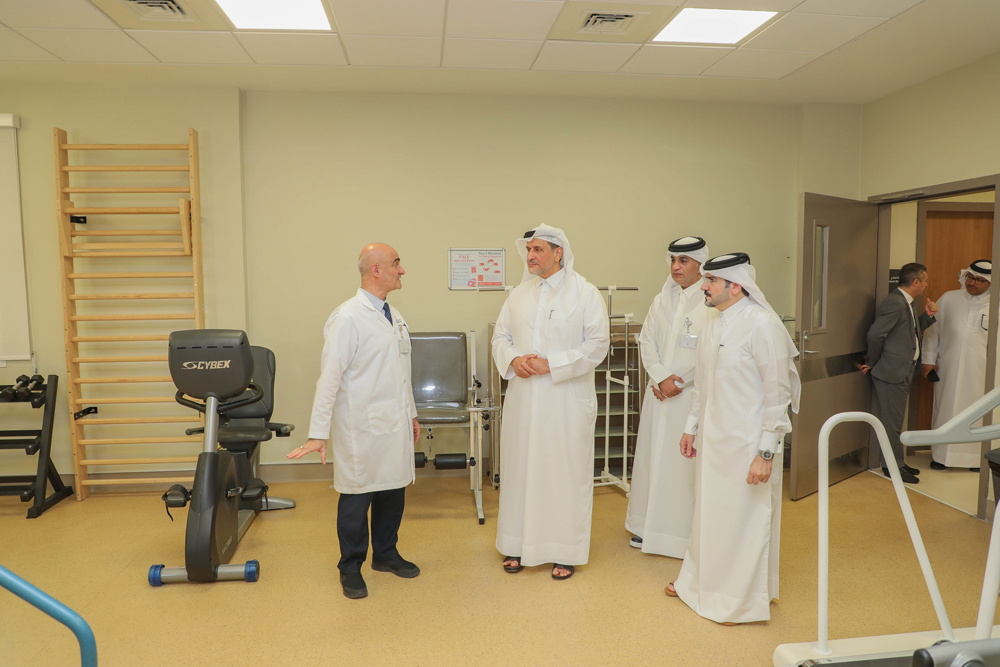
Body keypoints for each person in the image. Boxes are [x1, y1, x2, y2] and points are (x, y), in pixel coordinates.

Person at [664, 252, 800, 626]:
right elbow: (702, 385)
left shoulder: (763, 325)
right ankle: (699, 583)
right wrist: (691, 427)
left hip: (747, 445)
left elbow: (778, 396)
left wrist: (766, 453)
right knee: (708, 513)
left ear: (735, 286)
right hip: (713, 440)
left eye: (710, 281)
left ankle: (736, 600)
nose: (703, 287)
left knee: (745, 518)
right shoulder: (712, 320)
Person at [288, 243, 421, 600]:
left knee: (393, 492)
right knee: (357, 498)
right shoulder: (348, 318)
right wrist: (318, 434)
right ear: (376, 269)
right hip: (361, 428)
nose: (402, 270)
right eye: (396, 263)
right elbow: (329, 379)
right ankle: (350, 567)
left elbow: (402, 373)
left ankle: (386, 554)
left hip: (394, 423)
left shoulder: (395, 316)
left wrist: (411, 413)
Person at [491, 224, 610, 581]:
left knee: (563, 472)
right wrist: (513, 359)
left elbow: (597, 345)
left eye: (538, 250)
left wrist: (551, 364)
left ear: (558, 253)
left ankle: (564, 550)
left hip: (565, 402)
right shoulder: (519, 294)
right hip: (525, 399)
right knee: (521, 468)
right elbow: (501, 336)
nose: (530, 256)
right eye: (528, 250)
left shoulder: (585, 293)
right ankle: (516, 544)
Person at [625, 236, 710, 557]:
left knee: (681, 465)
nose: (676, 267)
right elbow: (646, 341)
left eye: (684, 261)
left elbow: (709, 350)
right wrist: (660, 377)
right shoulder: (662, 299)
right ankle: (647, 527)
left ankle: (681, 533)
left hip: (690, 397)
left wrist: (680, 381)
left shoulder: (710, 300)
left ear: (701, 264)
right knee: (652, 459)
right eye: (673, 260)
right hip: (658, 394)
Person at [861, 262, 938, 484]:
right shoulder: (895, 303)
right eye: (924, 281)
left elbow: (908, 333)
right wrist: (872, 362)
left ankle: (898, 463)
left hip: (903, 371)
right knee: (892, 423)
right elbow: (875, 335)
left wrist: (928, 316)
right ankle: (893, 467)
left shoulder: (907, 302)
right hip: (891, 373)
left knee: (895, 422)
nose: (925, 286)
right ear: (915, 282)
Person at [921, 260, 991, 471]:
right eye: (970, 277)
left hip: (982, 372)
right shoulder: (949, 299)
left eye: (979, 280)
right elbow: (933, 332)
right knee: (946, 409)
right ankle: (941, 456)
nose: (973, 283)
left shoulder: (997, 304)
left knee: (978, 413)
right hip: (948, 367)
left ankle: (974, 460)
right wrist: (928, 360)